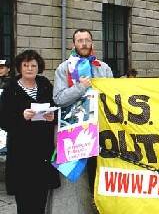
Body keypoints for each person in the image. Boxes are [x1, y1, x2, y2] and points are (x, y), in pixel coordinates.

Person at [52, 28, 113, 212]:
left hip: (101, 128)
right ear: (74, 44)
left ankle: (100, 207)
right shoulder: (64, 68)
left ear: (92, 43)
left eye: (87, 40)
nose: (84, 43)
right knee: (80, 181)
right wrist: (80, 87)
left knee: (101, 173)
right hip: (77, 132)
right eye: (80, 40)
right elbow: (59, 98)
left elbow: (113, 96)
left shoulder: (103, 68)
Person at [0, 50, 60, 213]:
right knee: (24, 201)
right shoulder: (10, 87)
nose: (29, 68)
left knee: (40, 199)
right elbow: (3, 119)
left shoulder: (45, 84)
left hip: (42, 152)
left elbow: (55, 109)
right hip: (21, 153)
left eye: (33, 65)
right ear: (20, 67)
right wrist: (21, 116)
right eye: (25, 65)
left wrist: (51, 117)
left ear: (38, 67)